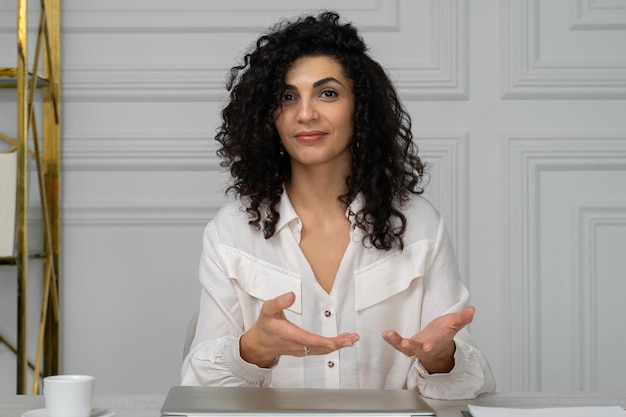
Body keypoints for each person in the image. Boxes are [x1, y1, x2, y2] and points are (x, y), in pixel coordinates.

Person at [181, 11, 495, 400]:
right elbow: (197, 388)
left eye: (327, 93)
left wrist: (441, 358)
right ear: (269, 116)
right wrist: (252, 351)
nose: (306, 113)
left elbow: (470, 386)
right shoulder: (230, 231)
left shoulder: (418, 224)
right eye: (287, 96)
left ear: (359, 108)